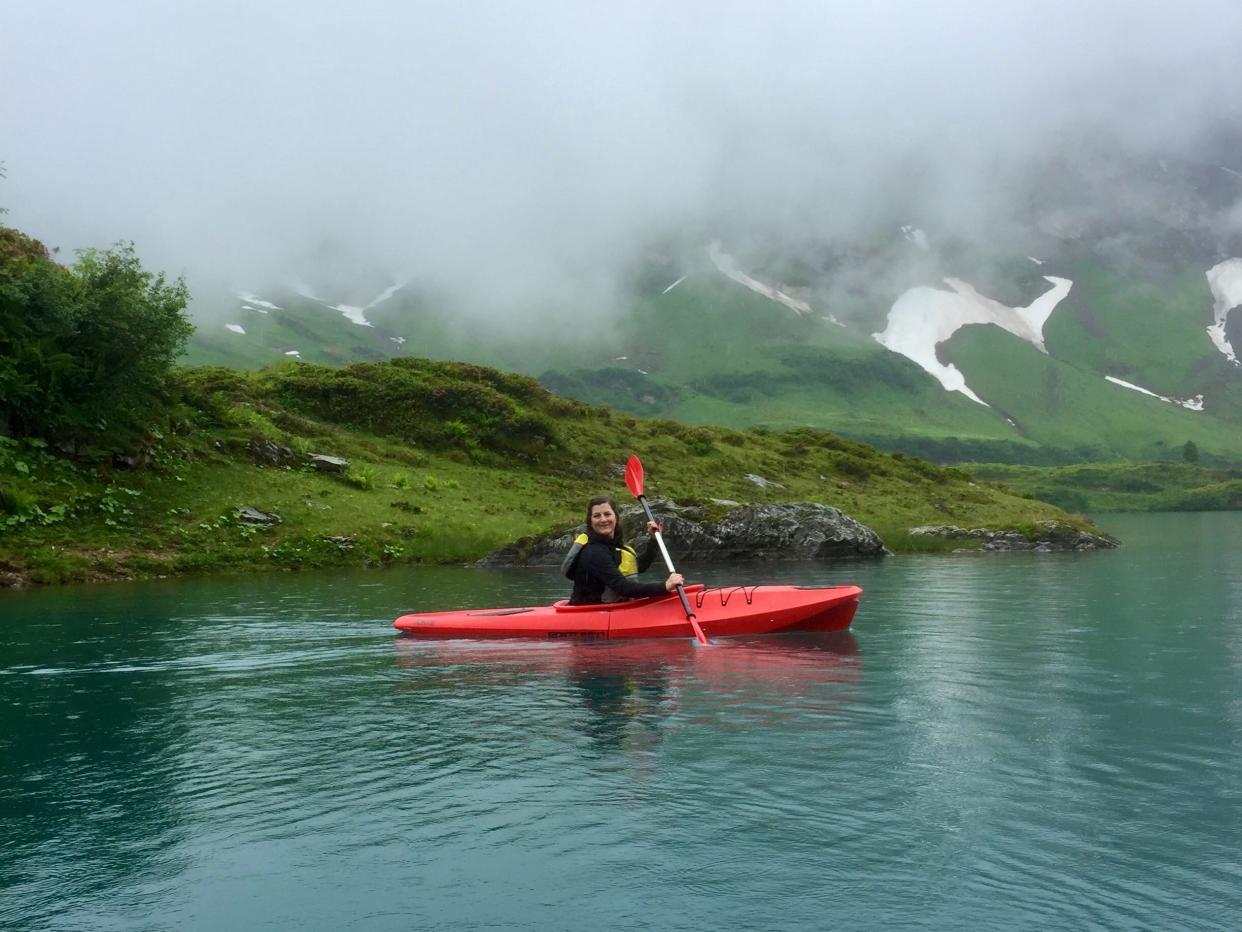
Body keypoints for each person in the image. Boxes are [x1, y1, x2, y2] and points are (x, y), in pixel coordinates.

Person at [563, 495, 684, 604]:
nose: (603, 520)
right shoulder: (594, 552)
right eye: (597, 516)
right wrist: (665, 586)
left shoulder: (614, 547)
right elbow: (623, 587)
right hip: (592, 614)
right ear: (590, 521)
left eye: (607, 514)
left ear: (615, 516)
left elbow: (638, 566)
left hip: (608, 609)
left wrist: (654, 541)